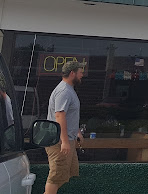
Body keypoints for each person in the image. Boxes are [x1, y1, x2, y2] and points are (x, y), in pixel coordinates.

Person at [44, 60, 85, 194]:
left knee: (64, 174)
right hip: (59, 141)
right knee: (56, 176)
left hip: (66, 139)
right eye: (80, 73)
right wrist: (65, 142)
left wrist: (77, 131)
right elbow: (60, 116)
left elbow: (69, 116)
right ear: (72, 73)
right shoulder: (64, 91)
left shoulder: (69, 90)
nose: (82, 75)